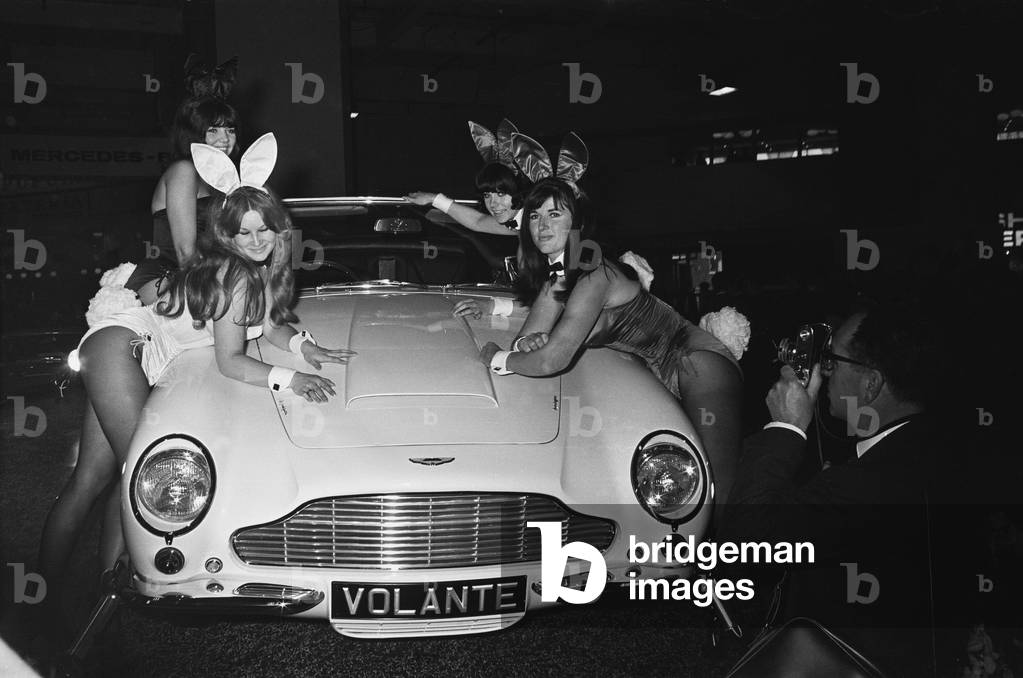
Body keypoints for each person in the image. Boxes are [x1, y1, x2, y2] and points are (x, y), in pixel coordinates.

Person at [36, 134, 355, 644]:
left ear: (279, 229)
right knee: (135, 477)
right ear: (226, 234)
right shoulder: (238, 274)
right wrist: (293, 379)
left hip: (131, 349)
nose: (256, 240)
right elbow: (231, 361)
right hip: (124, 345)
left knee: (93, 478)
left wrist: (305, 348)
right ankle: (93, 608)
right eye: (243, 231)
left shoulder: (260, 274)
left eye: (265, 229)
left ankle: (66, 603)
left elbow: (268, 327)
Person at [478, 171, 744, 506]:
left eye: (555, 214)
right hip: (654, 376)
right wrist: (523, 346)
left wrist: (497, 358)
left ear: (578, 225)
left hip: (700, 365)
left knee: (715, 496)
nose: (542, 225)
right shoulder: (559, 275)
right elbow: (529, 337)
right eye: (534, 215)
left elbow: (551, 360)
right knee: (679, 492)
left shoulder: (595, 273)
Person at [720, 302, 941, 677]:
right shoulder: (924, 451)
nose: (824, 370)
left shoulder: (872, 480)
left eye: (833, 360)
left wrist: (786, 428)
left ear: (870, 383)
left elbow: (746, 543)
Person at [124, 95, 242, 305]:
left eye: (230, 130)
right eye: (213, 130)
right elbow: (184, 252)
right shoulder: (184, 171)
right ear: (194, 135)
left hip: (209, 275)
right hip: (168, 278)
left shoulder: (227, 180)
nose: (225, 139)